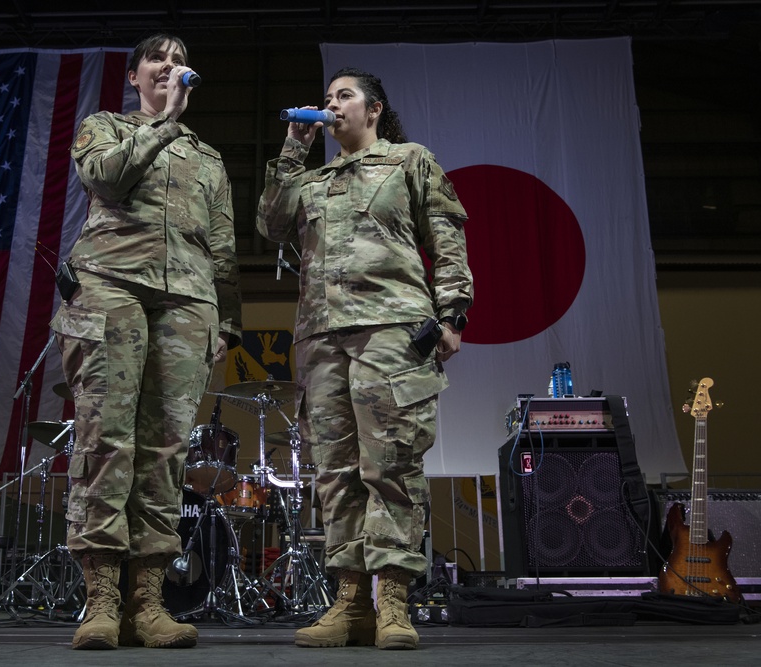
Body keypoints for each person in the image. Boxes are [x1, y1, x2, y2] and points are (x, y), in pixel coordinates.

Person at [256, 67, 472, 650]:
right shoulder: (314, 178)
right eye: (326, 98)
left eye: (343, 96)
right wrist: (292, 150)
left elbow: (447, 235)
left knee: (392, 465)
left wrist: (452, 315)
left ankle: (394, 601)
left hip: (392, 330)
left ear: (373, 109)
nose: (331, 105)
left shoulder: (410, 161)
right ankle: (351, 602)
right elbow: (269, 224)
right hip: (321, 336)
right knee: (336, 472)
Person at [52, 33, 242, 650]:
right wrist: (162, 124)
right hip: (109, 285)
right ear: (134, 76)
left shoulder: (208, 157)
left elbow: (223, 248)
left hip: (188, 303)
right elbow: (106, 180)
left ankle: (148, 602)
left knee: (165, 451)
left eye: (181, 59)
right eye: (158, 59)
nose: (170, 66)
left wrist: (227, 320)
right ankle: (101, 600)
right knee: (107, 438)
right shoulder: (103, 127)